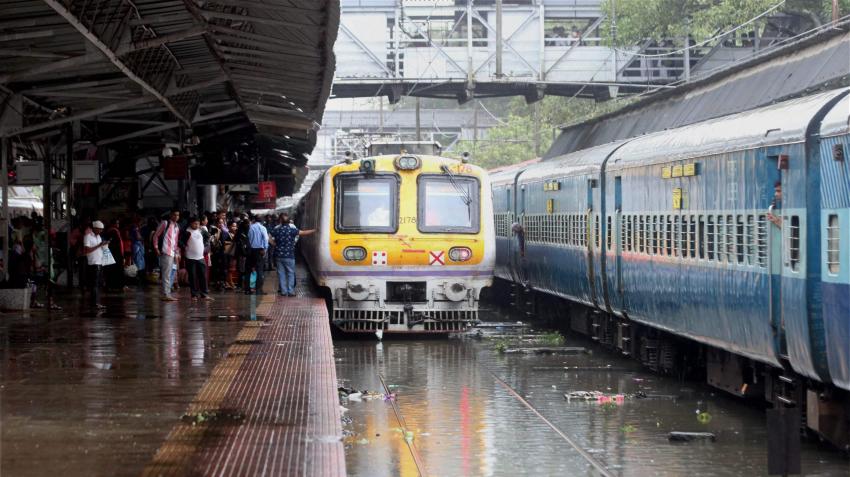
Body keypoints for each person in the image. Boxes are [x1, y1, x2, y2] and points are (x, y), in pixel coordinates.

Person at [270, 213, 315, 297]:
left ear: (280, 221)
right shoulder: (291, 230)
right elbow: (304, 232)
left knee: (281, 274)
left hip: (279, 255)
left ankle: (283, 291)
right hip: (289, 256)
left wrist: (274, 244)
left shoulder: (276, 230)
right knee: (290, 273)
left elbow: (268, 236)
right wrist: (314, 230)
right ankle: (290, 291)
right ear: (289, 222)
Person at [153, 209, 181, 301]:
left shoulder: (177, 226)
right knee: (166, 274)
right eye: (175, 215)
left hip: (173, 252)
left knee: (171, 273)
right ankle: (166, 294)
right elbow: (156, 235)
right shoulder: (165, 223)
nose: (176, 217)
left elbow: (175, 241)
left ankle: (167, 293)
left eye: (178, 215)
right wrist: (156, 248)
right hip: (166, 251)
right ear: (171, 215)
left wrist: (177, 252)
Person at [183, 217, 212, 301]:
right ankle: (194, 294)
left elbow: (208, 237)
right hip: (190, 257)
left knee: (203, 276)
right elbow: (181, 242)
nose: (197, 225)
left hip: (200, 257)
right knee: (192, 276)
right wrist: (185, 247)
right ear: (191, 223)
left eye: (198, 224)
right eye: (195, 223)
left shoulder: (201, 231)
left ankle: (204, 294)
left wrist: (206, 247)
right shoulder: (187, 232)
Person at [83, 221, 109, 309]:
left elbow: (99, 248)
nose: (101, 231)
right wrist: (99, 245)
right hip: (93, 263)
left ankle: (96, 302)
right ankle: (94, 303)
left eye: (102, 230)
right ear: (95, 228)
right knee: (94, 285)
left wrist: (104, 245)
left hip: (99, 262)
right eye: (99, 229)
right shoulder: (88, 237)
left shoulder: (99, 237)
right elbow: (86, 250)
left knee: (98, 284)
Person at [245, 215, 269, 295]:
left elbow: (248, 238)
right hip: (259, 251)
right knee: (259, 270)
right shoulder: (263, 228)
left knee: (248, 270)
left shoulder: (251, 227)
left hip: (251, 250)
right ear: (262, 220)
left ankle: (247, 290)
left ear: (254, 220)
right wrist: (265, 249)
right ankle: (258, 291)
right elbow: (265, 239)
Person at [104, 218, 124, 292]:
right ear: (113, 224)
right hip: (115, 255)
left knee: (114, 270)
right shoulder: (112, 231)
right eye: (117, 223)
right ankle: (115, 286)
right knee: (114, 271)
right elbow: (113, 244)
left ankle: (114, 286)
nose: (118, 225)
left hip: (116, 254)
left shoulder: (114, 231)